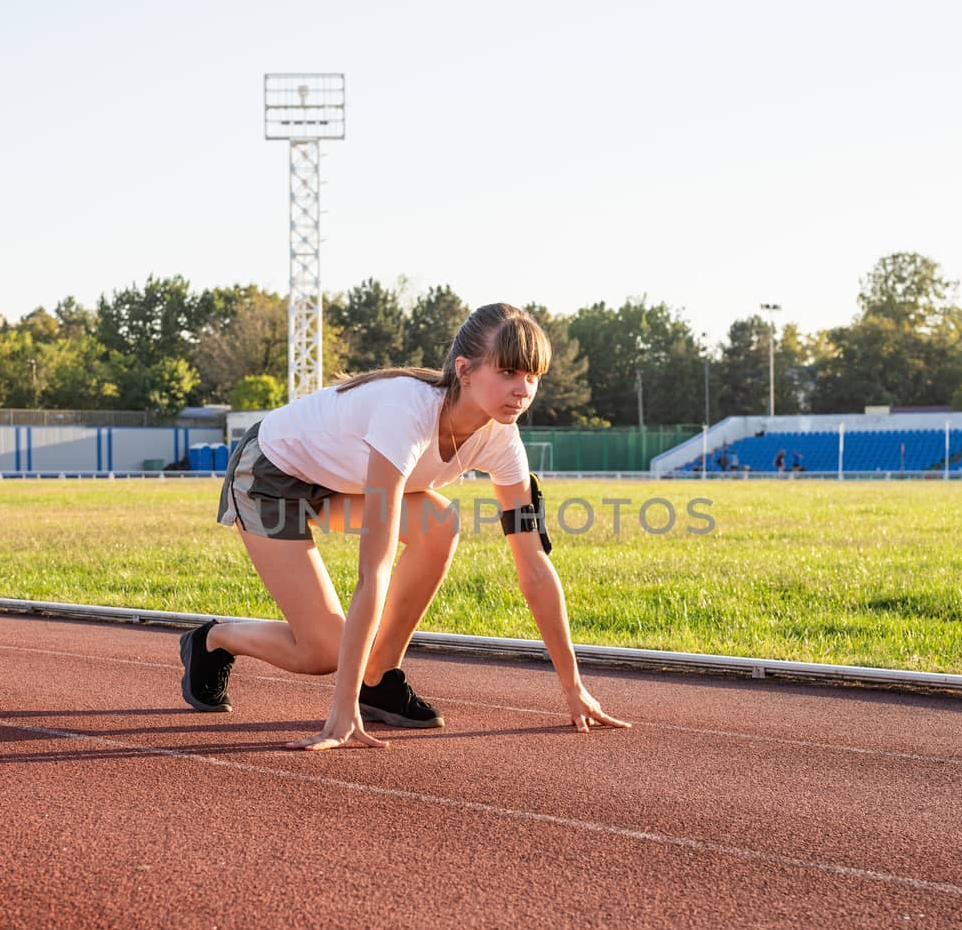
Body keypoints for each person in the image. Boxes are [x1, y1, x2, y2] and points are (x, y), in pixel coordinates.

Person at [178, 303, 632, 751]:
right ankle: (214, 640)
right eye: (509, 372)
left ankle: (379, 676)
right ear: (465, 370)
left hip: (340, 480)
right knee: (324, 653)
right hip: (271, 476)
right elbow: (373, 572)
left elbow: (533, 566)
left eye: (533, 376)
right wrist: (341, 710)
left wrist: (574, 687)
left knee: (440, 524)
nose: (522, 389)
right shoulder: (406, 413)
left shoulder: (502, 441)